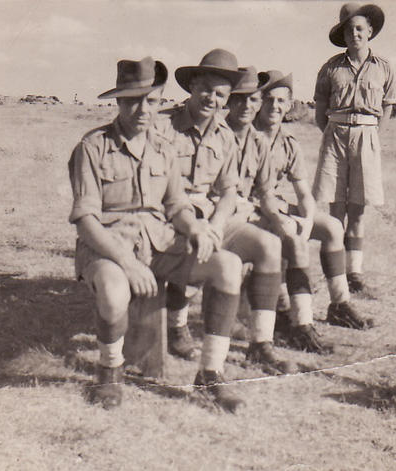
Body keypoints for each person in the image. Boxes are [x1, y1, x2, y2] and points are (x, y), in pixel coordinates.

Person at [68, 57, 244, 412]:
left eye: (151, 100)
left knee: (227, 266)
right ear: (117, 101)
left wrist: (195, 227)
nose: (142, 109)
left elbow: (176, 204)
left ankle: (210, 375)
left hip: (159, 241)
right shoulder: (92, 147)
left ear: (161, 102)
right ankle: (110, 371)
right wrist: (127, 263)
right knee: (116, 292)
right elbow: (86, 220)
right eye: (132, 100)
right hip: (108, 245)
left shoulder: (163, 148)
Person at [153, 50, 293, 374]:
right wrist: (195, 226)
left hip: (209, 213)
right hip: (167, 214)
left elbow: (229, 191)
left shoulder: (225, 135)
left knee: (269, 246)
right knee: (210, 255)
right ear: (191, 88)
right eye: (205, 90)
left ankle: (261, 345)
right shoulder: (164, 125)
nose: (211, 99)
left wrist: (216, 224)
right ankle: (177, 327)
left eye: (221, 94)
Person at [254, 70, 374, 356]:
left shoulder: (287, 141)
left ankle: (340, 305)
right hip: (253, 207)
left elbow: (304, 193)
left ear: (290, 104)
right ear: (258, 101)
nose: (274, 107)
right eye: (268, 100)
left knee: (333, 227)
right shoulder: (248, 136)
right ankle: (299, 322)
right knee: (294, 238)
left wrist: (307, 221)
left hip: (278, 205)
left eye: (281, 101)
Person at [312, 3, 396, 294]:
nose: (354, 34)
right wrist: (335, 132)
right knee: (335, 208)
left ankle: (354, 273)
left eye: (360, 28)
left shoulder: (383, 68)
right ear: (343, 34)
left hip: (367, 135)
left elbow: (387, 107)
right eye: (349, 29)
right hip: (335, 134)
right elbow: (320, 109)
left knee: (358, 209)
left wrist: (373, 137)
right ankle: (333, 272)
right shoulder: (331, 67)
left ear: (370, 31)